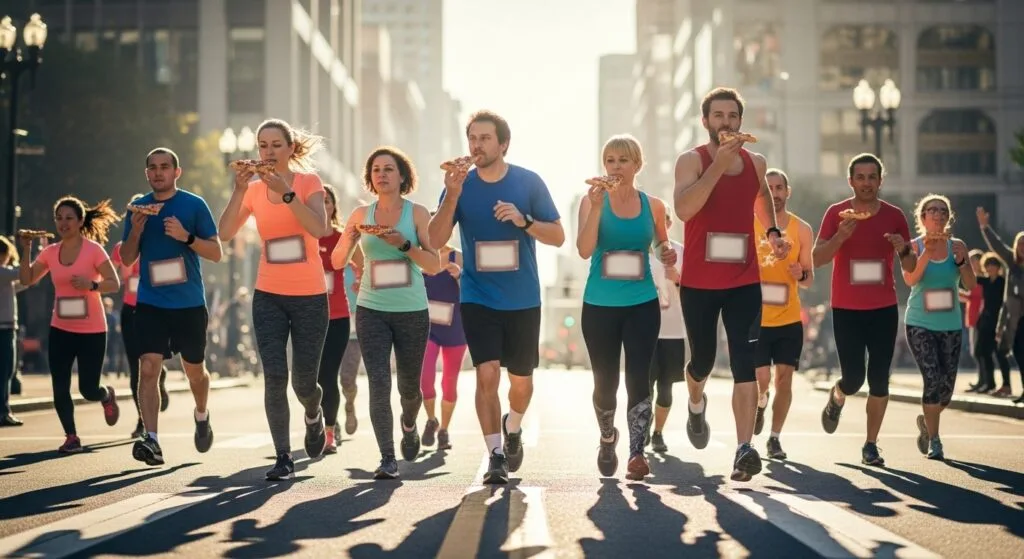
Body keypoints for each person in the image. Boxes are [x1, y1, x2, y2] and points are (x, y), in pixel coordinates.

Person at [428, 110, 565, 484]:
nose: (477, 145)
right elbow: (435, 239)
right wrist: (451, 195)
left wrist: (524, 221)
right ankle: (496, 454)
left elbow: (558, 236)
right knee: (486, 375)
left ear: (503, 144)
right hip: (477, 296)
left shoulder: (528, 182)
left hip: (522, 299)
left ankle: (514, 425)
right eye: (472, 137)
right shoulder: (460, 185)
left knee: (521, 382)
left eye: (485, 138)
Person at [671, 87, 788, 481]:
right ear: (705, 121)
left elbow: (762, 199)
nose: (726, 123)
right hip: (700, 283)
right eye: (718, 116)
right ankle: (696, 399)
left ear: (741, 120)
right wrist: (718, 166)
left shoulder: (756, 161)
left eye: (732, 116)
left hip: (744, 280)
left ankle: (744, 450)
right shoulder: (691, 160)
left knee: (746, 364)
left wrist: (772, 231)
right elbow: (684, 210)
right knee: (702, 360)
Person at [219, 119, 331, 480]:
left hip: (310, 296)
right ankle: (283, 456)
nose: (267, 152)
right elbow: (224, 233)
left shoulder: (308, 182)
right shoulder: (252, 191)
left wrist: (286, 193)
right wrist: (238, 190)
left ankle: (314, 415)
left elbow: (319, 229)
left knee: (303, 382)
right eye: (262, 145)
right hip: (268, 295)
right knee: (274, 376)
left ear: (290, 148)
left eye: (275, 145)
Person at [332, 145, 440, 479]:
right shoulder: (359, 216)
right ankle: (387, 457)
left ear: (402, 175)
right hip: (371, 309)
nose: (382, 174)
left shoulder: (418, 214)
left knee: (410, 388)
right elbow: (337, 262)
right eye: (376, 169)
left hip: (412, 309)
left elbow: (435, 264)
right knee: (378, 381)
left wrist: (404, 246)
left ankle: (410, 424)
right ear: (370, 178)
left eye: (389, 169)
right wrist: (349, 237)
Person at [577, 134, 673, 480]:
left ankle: (637, 452)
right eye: (610, 160)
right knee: (605, 382)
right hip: (599, 304)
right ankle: (607, 437)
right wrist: (598, 207)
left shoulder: (654, 205)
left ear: (637, 165)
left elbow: (661, 245)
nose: (615, 167)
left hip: (641, 303)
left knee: (638, 376)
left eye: (623, 160)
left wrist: (667, 253)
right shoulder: (591, 201)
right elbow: (585, 250)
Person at [813, 153, 916, 466]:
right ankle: (839, 395)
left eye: (873, 177)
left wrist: (904, 248)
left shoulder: (895, 215)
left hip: (883, 308)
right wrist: (841, 237)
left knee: (880, 378)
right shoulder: (836, 214)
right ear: (851, 181)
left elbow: (910, 268)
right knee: (855, 377)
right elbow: (817, 258)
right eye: (861, 177)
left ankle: (871, 444)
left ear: (880, 181)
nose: (867, 183)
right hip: (846, 308)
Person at [120, 148, 221, 466]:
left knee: (195, 372)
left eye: (165, 167)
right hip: (150, 303)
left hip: (189, 304)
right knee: (148, 368)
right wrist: (136, 229)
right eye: (152, 167)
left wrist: (186, 236)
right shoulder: (138, 208)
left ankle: (201, 414)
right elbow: (125, 258)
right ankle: (152, 440)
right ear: (146, 173)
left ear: (177, 172)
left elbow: (216, 252)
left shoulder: (193, 205)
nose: (158, 172)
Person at [19, 197, 123, 453]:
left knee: (88, 388)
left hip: (93, 330)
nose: (63, 223)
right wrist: (25, 249)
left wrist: (92, 285)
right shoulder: (51, 252)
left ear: (79, 221)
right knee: (60, 384)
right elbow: (27, 279)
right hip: (61, 328)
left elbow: (114, 283)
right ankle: (72, 436)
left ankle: (105, 396)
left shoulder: (94, 251)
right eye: (59, 218)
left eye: (68, 218)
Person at [902, 195, 976, 460]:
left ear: (948, 217)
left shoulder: (958, 245)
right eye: (932, 210)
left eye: (943, 210)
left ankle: (927, 419)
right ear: (922, 217)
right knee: (932, 380)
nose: (938, 214)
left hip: (951, 324)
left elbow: (971, 284)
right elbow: (910, 279)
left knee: (946, 391)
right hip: (919, 322)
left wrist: (961, 262)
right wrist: (926, 255)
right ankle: (935, 440)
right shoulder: (913, 246)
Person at [752, 169, 814, 461]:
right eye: (769, 188)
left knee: (784, 380)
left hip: (789, 318)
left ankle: (774, 439)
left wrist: (799, 272)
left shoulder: (802, 229)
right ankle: (760, 402)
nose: (774, 193)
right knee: (761, 380)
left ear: (787, 192)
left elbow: (809, 278)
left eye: (779, 188)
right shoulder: (751, 225)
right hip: (756, 317)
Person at [111, 199, 171, 438]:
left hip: (157, 307)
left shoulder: (160, 243)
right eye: (136, 214)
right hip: (131, 309)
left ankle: (161, 376)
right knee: (135, 368)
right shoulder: (120, 247)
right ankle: (141, 420)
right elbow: (114, 274)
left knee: (149, 364)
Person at [420, 242, 467, 451]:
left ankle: (444, 430)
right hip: (428, 327)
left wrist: (459, 276)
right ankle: (431, 420)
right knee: (425, 379)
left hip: (456, 328)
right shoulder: (419, 257)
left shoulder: (458, 257)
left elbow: (474, 289)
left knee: (449, 382)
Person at [316, 184, 352, 455]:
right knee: (310, 379)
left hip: (338, 317)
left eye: (327, 201)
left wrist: (363, 280)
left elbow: (363, 264)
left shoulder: (342, 238)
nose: (323, 205)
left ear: (333, 206)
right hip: (307, 317)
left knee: (328, 376)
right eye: (318, 201)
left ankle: (328, 431)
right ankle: (319, 421)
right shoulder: (304, 238)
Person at [646, 212, 685, 455]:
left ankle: (658, 433)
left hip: (673, 330)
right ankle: (643, 426)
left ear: (669, 224)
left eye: (663, 219)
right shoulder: (638, 252)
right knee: (644, 385)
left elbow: (695, 290)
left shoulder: (681, 252)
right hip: (644, 329)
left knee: (666, 386)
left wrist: (678, 279)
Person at [977, 207, 1024, 403]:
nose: (1022, 246)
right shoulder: (1012, 264)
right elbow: (997, 246)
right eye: (1020, 243)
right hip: (1016, 319)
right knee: (1020, 355)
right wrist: (985, 227)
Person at [970, 252, 1012, 395]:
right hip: (985, 321)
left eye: (993, 265)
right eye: (988, 265)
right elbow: (968, 278)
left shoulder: (1003, 282)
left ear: (998, 267)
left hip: (999, 321)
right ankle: (989, 383)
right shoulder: (984, 281)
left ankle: (1006, 384)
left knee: (1000, 353)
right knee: (982, 352)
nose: (990, 268)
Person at [338, 249, 364, 442]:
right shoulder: (326, 268)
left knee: (347, 378)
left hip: (354, 332)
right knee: (325, 379)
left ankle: (349, 403)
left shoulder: (357, 270)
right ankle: (331, 424)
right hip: (329, 326)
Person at [1, 235, 26, 427]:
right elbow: (23, 274)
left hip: (7, 327)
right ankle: (3, 411)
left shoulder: (5, 277)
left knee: (6, 371)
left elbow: (25, 281)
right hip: (4, 328)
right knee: (5, 370)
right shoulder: (3, 272)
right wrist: (28, 250)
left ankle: (4, 409)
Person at [961, 250, 985, 391]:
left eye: (973, 260)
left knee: (979, 352)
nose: (971, 264)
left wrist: (959, 293)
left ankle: (984, 381)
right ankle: (981, 380)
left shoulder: (983, 279)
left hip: (980, 319)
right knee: (975, 352)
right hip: (972, 318)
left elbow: (976, 296)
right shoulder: (974, 277)